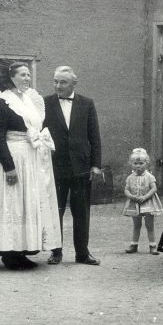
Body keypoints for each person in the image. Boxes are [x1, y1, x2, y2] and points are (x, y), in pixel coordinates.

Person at [0, 61, 61, 270]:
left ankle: (21, 250)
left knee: (26, 204)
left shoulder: (30, 100)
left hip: (30, 158)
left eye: (28, 74)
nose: (27, 78)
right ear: (11, 78)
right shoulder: (1, 102)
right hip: (13, 157)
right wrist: (9, 167)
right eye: (22, 75)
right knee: (12, 204)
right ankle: (9, 253)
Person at [44, 66, 102, 265]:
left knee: (81, 211)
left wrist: (96, 165)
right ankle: (56, 252)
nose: (58, 86)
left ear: (73, 83)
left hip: (81, 166)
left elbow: (94, 136)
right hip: (55, 167)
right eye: (55, 81)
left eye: (63, 82)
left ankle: (82, 254)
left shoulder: (87, 103)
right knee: (55, 210)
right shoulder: (45, 103)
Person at [122, 148, 163, 255]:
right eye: (135, 163)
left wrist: (145, 197)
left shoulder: (149, 176)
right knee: (136, 225)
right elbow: (126, 189)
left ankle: (152, 246)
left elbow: (154, 188)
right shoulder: (130, 177)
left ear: (146, 163)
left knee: (149, 225)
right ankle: (134, 245)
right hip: (135, 203)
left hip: (147, 202)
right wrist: (131, 196)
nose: (138, 166)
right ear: (132, 164)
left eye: (141, 163)